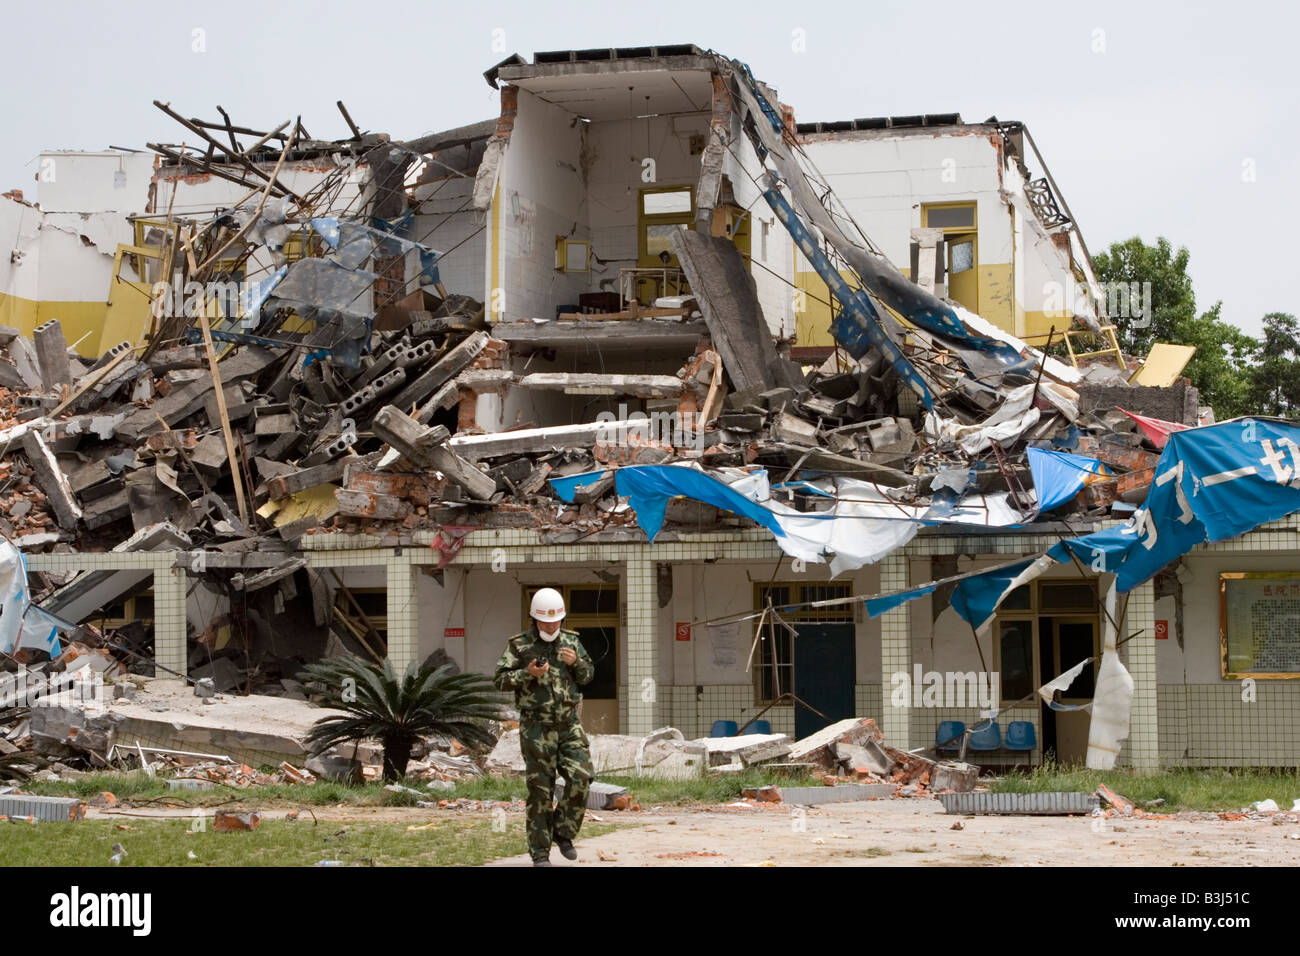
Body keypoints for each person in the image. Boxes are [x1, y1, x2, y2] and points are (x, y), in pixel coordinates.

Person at [494, 587, 595, 866]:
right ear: (535, 620)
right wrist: (528, 673)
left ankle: (563, 832)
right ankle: (540, 853)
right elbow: (500, 679)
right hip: (536, 727)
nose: (551, 626)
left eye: (556, 621)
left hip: (568, 723)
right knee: (540, 790)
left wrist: (577, 664)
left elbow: (588, 676)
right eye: (545, 621)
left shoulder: (572, 641)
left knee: (581, 777)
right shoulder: (520, 645)